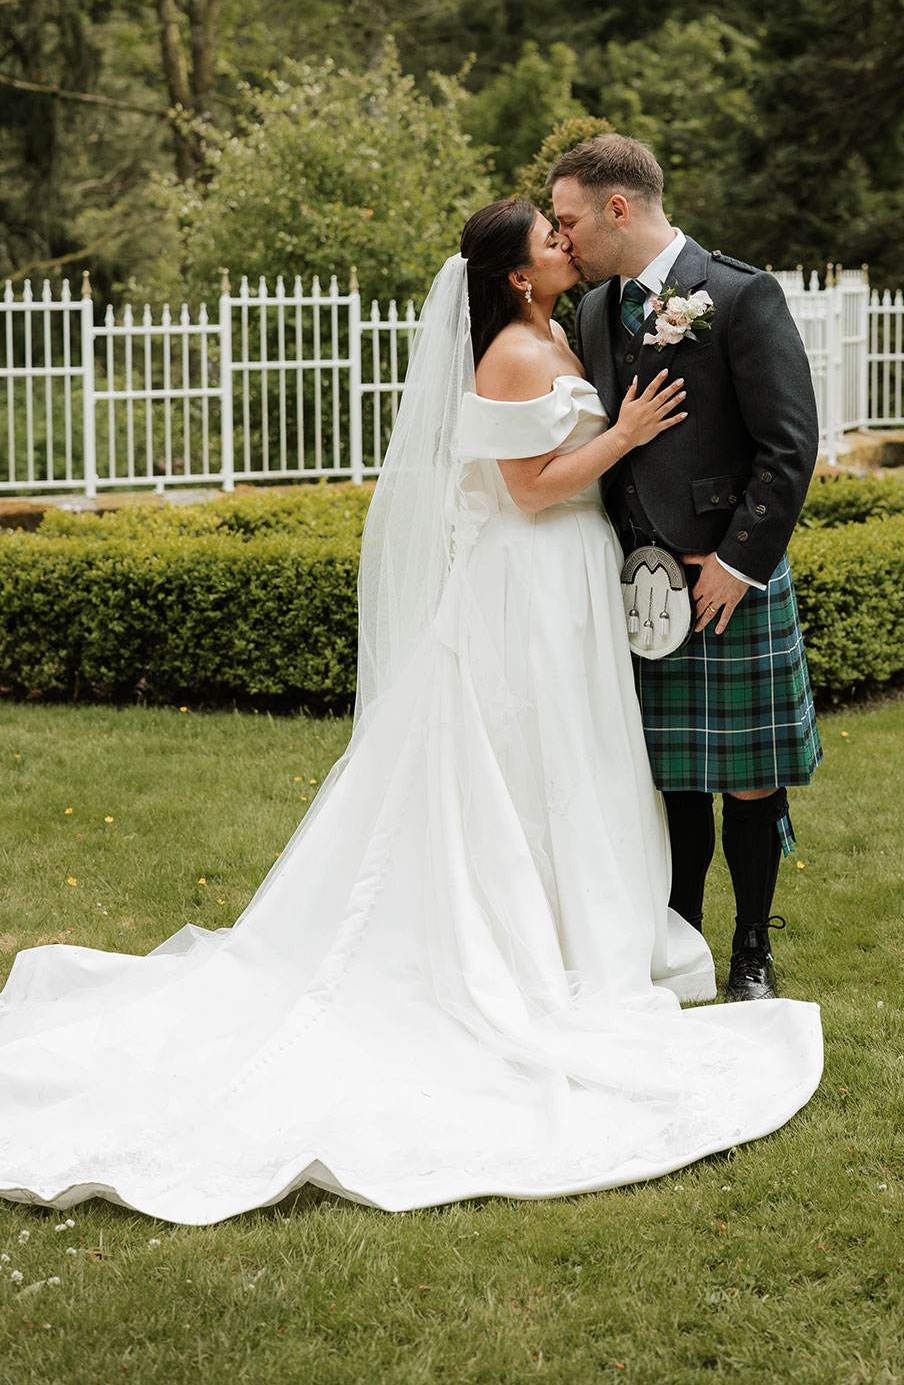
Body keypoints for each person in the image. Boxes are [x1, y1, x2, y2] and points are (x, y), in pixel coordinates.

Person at [0, 197, 822, 1226]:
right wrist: (622, 434)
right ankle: (529, 943)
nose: (565, 243)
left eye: (567, 228)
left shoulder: (568, 326)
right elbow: (527, 490)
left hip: (572, 582)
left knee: (578, 760)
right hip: (526, 582)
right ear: (518, 276)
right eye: (548, 238)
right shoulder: (513, 357)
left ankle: (587, 930)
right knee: (526, 756)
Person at [553, 134, 823, 1002]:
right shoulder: (593, 313)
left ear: (617, 208)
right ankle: (676, 948)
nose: (563, 241)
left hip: (725, 582)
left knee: (747, 777)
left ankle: (751, 951)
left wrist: (738, 566)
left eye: (569, 222)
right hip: (640, 588)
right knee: (667, 782)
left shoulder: (741, 296)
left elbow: (787, 448)